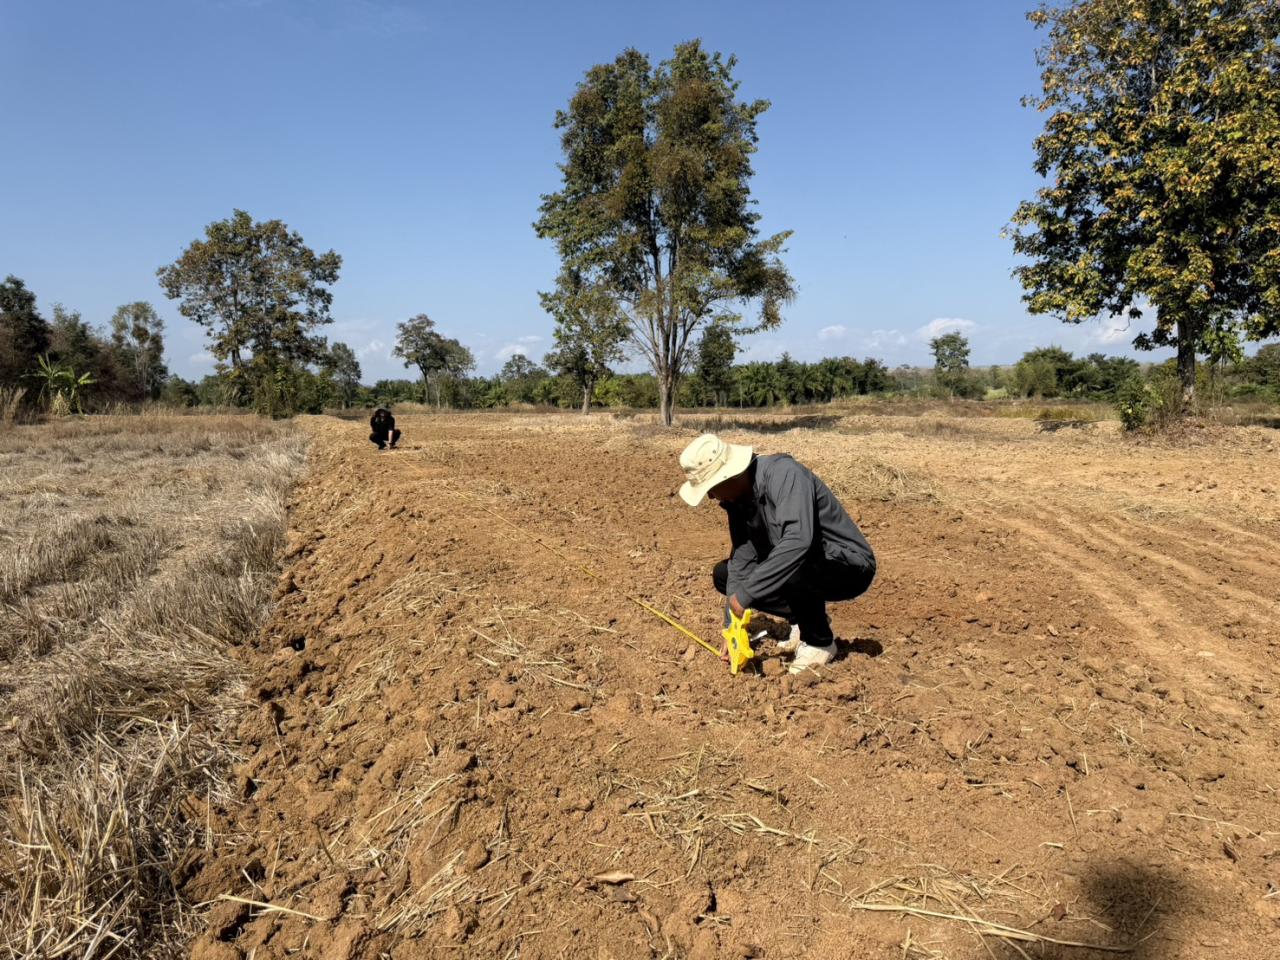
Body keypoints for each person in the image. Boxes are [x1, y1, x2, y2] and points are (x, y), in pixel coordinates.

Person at [678, 433, 876, 674]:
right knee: (725, 574)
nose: (711, 496)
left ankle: (819, 642)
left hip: (848, 565)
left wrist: (747, 594)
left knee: (789, 559)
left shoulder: (784, 474)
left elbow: (798, 540)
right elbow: (742, 558)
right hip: (803, 562)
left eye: (712, 487)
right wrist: (732, 628)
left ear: (731, 475)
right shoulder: (738, 499)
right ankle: (802, 621)